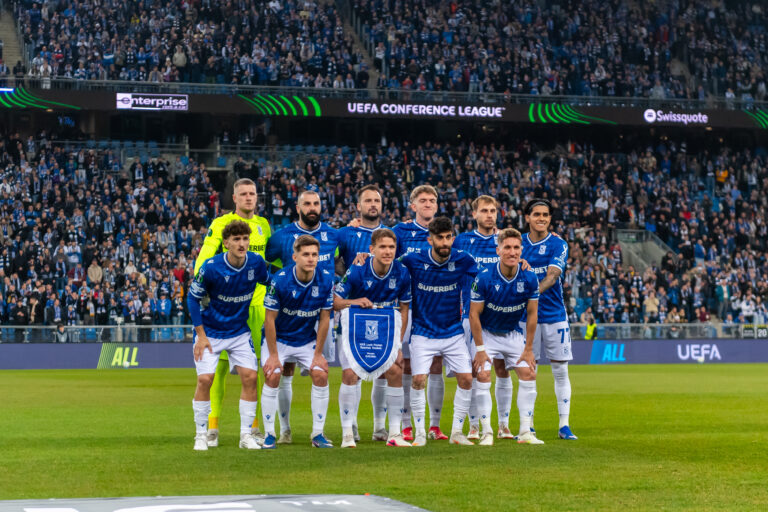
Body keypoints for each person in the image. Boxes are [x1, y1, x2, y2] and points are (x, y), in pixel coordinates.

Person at [194, 178, 272, 448]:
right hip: (226, 304)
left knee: (255, 371)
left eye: (253, 194)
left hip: (258, 307)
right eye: (244, 194)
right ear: (235, 199)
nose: (249, 198)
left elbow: (267, 264)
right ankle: (212, 427)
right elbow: (204, 258)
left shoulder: (263, 226)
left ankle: (252, 428)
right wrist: (199, 285)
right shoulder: (221, 224)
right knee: (219, 369)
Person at [265, 190, 340, 444]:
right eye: (307, 203)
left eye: (316, 203)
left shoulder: (332, 243)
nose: (312, 207)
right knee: (276, 373)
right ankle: (274, 433)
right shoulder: (281, 249)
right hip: (283, 334)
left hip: (308, 336)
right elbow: (270, 318)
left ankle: (317, 433)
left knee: (321, 372)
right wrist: (273, 354)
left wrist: (318, 353)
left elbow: (325, 319)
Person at [400, 216, 478, 446]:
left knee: (466, 379)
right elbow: (388, 265)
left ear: (453, 238)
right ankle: (421, 433)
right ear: (429, 239)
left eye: (448, 237)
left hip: (453, 333)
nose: (445, 243)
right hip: (423, 332)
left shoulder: (464, 260)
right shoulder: (412, 260)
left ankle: (456, 433)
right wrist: (365, 258)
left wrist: (518, 264)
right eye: (440, 238)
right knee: (418, 380)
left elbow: (488, 275)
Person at [334, 228, 412, 447]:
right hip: (355, 331)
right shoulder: (358, 269)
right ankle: (348, 432)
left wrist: (398, 344)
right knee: (350, 374)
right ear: (372, 249)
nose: (387, 251)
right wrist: (355, 301)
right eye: (382, 247)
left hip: (386, 330)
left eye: (391, 247)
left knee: (395, 370)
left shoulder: (402, 272)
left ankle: (393, 433)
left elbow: (404, 310)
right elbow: (335, 301)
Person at [469, 228, 543, 445]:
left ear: (522, 250)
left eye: (516, 247)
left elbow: (532, 314)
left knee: (529, 374)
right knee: (482, 376)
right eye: (507, 247)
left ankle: (525, 431)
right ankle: (487, 432)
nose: (512, 252)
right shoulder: (484, 278)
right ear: (498, 250)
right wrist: (481, 349)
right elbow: (474, 314)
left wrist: (528, 348)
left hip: (512, 334)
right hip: (487, 335)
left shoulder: (529, 278)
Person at [453, 195, 513, 440]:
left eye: (493, 210)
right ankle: (475, 425)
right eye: (484, 211)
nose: (490, 215)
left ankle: (504, 424)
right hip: (472, 315)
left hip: (503, 316)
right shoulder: (463, 241)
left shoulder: (506, 240)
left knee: (502, 368)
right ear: (474, 214)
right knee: (475, 369)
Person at [392, 185, 447, 441]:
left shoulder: (443, 232)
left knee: (436, 363)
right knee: (406, 364)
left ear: (437, 206)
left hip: (435, 306)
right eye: (422, 200)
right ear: (412, 206)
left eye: (432, 200)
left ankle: (434, 426)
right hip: (407, 306)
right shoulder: (400, 231)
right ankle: (406, 424)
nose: (428, 204)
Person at [521, 199, 577, 440]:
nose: (541, 218)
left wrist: (531, 294)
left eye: (545, 214)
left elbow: (552, 275)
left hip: (554, 316)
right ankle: (527, 425)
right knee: (527, 371)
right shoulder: (518, 243)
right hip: (525, 318)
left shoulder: (558, 244)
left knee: (560, 370)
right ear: (527, 218)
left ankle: (564, 425)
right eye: (536, 214)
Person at [336, 185, 388, 440]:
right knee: (352, 371)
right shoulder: (346, 233)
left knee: (384, 369)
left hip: (383, 313)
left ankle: (380, 426)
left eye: (376, 200)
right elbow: (328, 258)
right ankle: (351, 424)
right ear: (358, 206)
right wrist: (345, 273)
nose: (372, 205)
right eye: (367, 200)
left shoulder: (393, 233)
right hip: (353, 312)